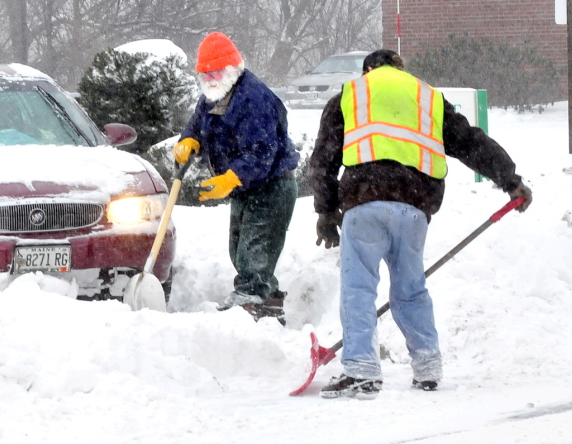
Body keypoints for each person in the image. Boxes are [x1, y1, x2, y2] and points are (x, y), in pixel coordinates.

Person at [308, 49, 532, 399]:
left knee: (359, 290)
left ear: (369, 69)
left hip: (364, 202)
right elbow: (471, 142)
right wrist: (510, 180)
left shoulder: (351, 95)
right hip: (414, 206)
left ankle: (363, 371)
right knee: (411, 289)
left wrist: (325, 211)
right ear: (401, 70)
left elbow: (323, 157)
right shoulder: (427, 98)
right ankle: (428, 367)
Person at [172, 31, 300, 322]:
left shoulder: (253, 99)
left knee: (254, 249)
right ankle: (268, 303)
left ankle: (248, 304)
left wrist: (232, 177)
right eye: (205, 73)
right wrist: (189, 141)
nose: (210, 77)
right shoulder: (213, 95)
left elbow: (262, 152)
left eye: (215, 71)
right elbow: (197, 124)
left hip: (272, 186)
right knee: (239, 247)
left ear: (232, 69)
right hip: (247, 188)